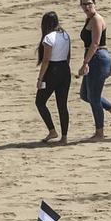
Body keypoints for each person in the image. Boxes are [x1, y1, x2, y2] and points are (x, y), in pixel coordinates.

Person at [75, 0, 111, 140]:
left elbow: (95, 43)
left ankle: (100, 132)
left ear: (95, 4)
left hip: (99, 59)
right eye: (84, 4)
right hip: (94, 58)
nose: (87, 7)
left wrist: (85, 63)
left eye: (89, 4)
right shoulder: (88, 19)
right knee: (85, 95)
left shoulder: (96, 19)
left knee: (94, 97)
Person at [35, 10, 72, 144]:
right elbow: (68, 56)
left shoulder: (48, 38)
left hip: (52, 70)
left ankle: (52, 130)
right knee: (62, 105)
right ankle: (64, 137)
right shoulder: (65, 35)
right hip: (64, 69)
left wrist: (40, 79)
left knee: (40, 102)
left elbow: (46, 60)